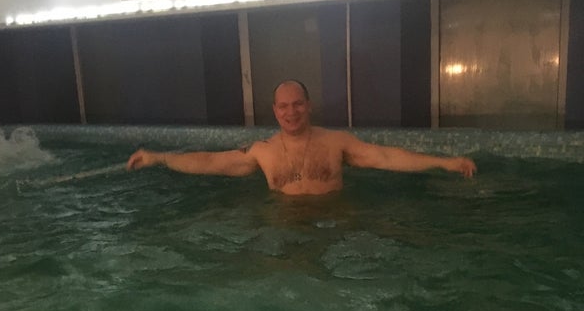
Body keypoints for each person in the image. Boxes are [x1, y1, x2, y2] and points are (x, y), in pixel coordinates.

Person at [127, 79, 477, 195]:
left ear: (308, 106)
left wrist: (444, 162)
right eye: (283, 106)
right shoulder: (262, 151)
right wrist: (159, 157)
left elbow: (385, 157)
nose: (291, 112)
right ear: (275, 111)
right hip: (284, 229)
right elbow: (210, 162)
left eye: (297, 104)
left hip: (335, 224)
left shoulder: (336, 142)